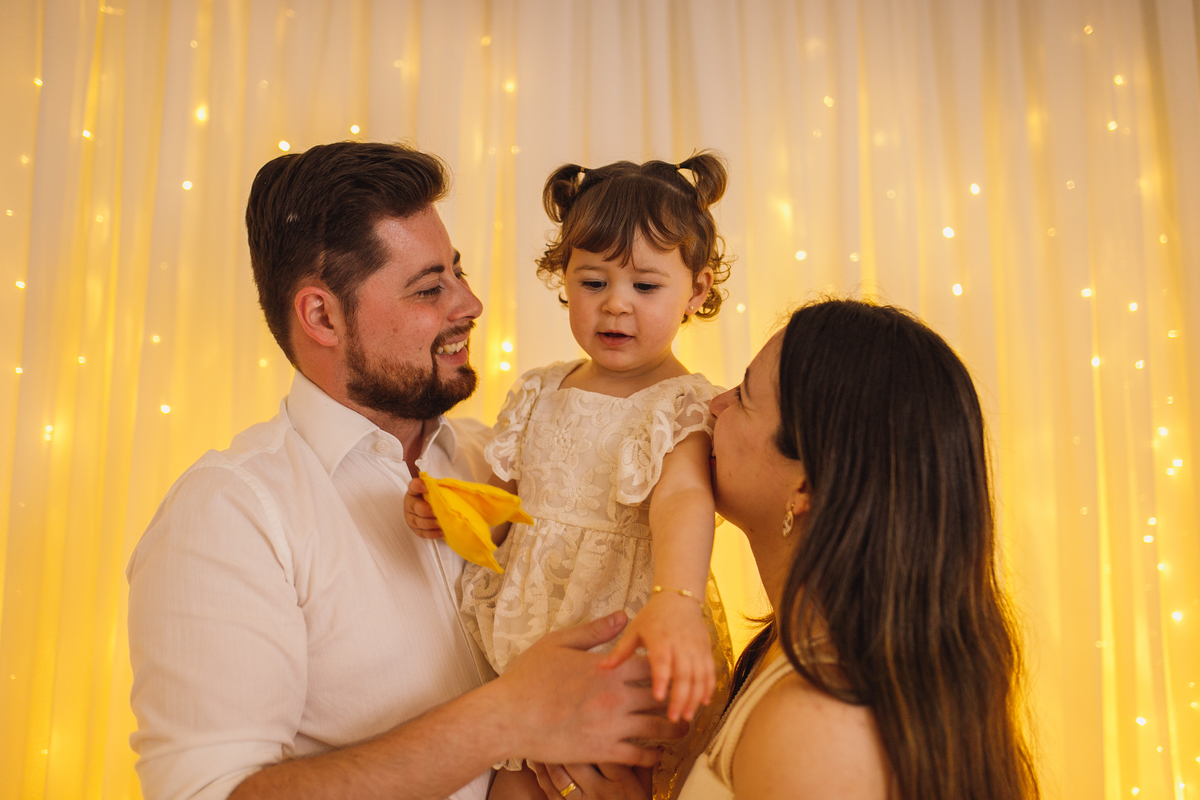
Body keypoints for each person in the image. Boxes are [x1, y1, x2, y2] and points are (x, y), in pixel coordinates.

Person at [125, 142, 683, 800]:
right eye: (429, 289)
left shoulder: (507, 462)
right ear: (322, 316)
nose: (470, 304)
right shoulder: (233, 513)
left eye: (459, 272)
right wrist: (508, 717)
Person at [534, 298, 1041, 798]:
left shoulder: (817, 727)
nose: (715, 405)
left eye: (744, 396)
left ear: (806, 487)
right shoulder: (791, 651)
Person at [405, 154, 735, 800]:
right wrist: (460, 513)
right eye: (592, 283)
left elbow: (684, 500)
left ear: (696, 291)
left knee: (607, 777)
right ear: (562, 279)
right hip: (534, 640)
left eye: (645, 287)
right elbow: (513, 506)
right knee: (518, 777)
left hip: (624, 635)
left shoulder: (681, 404)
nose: (616, 306)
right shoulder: (539, 390)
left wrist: (677, 600)